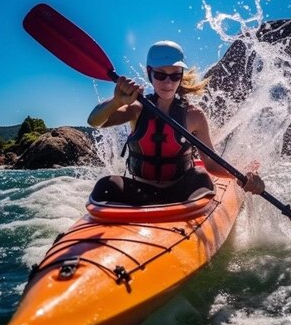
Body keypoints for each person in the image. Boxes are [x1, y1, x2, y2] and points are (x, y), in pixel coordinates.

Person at [87, 40, 265, 206]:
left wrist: (242, 177)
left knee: (201, 176)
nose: (167, 82)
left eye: (174, 76)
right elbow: (94, 121)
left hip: (181, 192)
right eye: (160, 75)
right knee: (106, 184)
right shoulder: (136, 109)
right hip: (140, 191)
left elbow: (211, 164)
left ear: (181, 76)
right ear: (150, 73)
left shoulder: (194, 116)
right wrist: (116, 102)